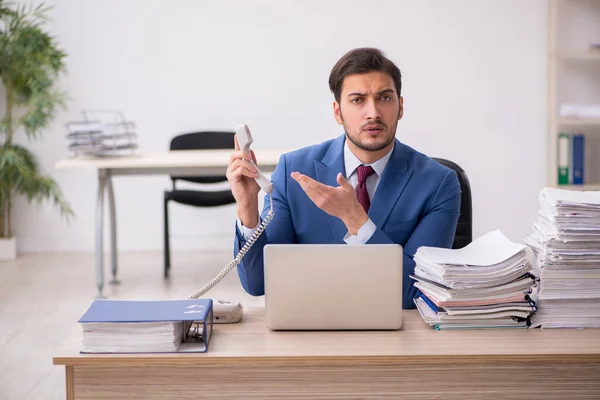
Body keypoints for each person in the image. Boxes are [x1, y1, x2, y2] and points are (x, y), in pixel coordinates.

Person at [226, 47, 461, 309]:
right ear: (337, 112)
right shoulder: (293, 169)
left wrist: (356, 220)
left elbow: (415, 292)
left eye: (384, 97)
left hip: (397, 335)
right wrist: (247, 207)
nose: (373, 113)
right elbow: (259, 284)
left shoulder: (439, 183)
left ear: (400, 106)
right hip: (311, 328)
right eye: (358, 100)